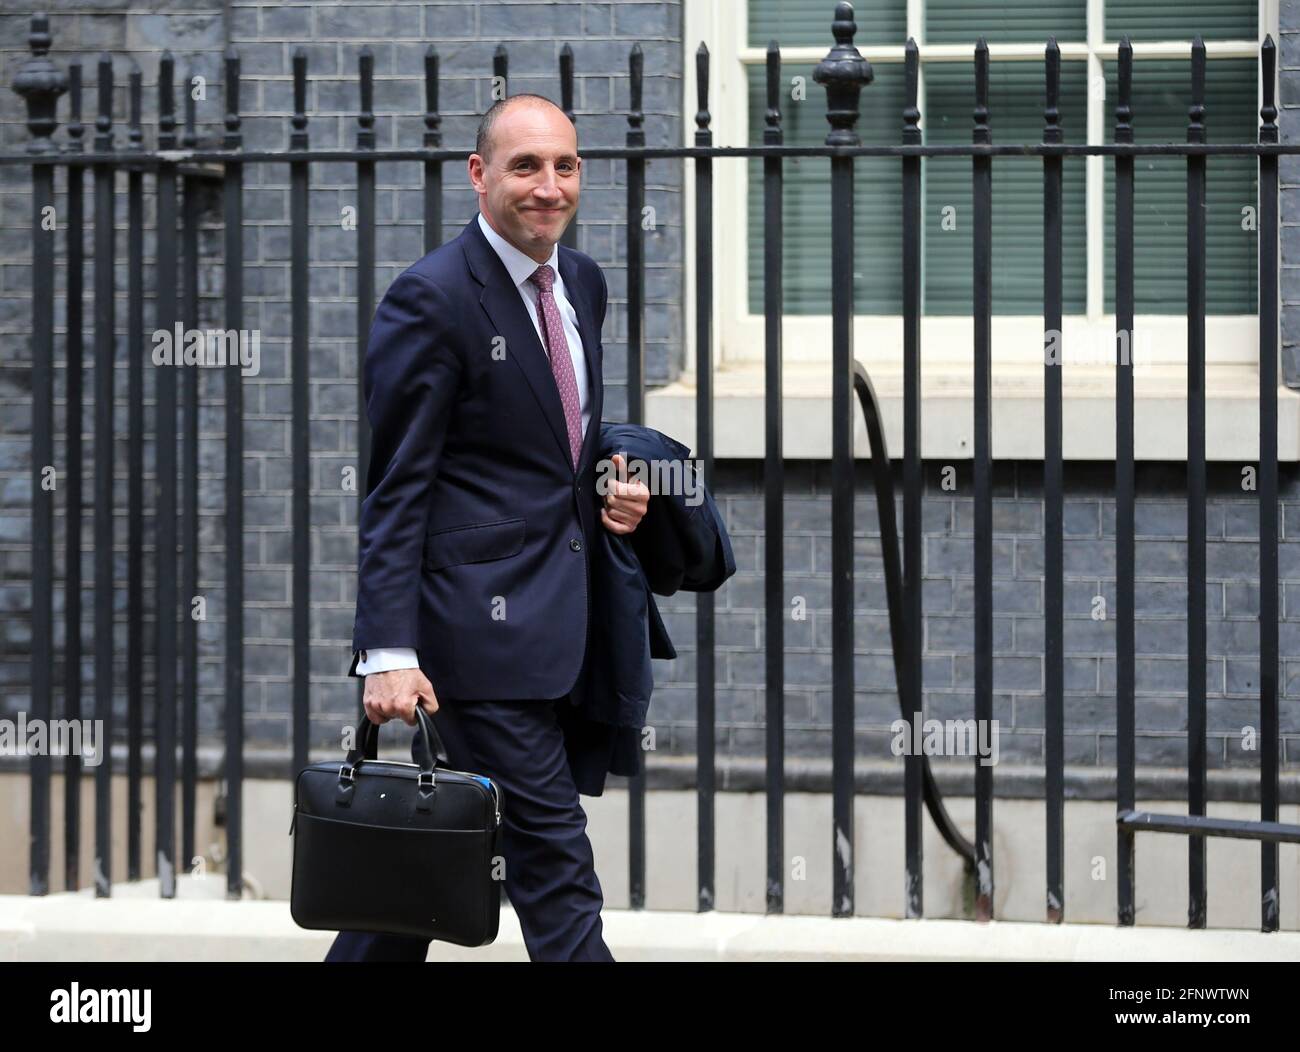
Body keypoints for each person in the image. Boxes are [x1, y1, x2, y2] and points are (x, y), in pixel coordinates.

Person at [325, 94, 649, 963]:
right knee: (556, 867)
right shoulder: (431, 299)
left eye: (566, 166)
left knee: (412, 881)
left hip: (561, 624)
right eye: (526, 166)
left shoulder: (581, 282)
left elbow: (552, 448)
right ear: (479, 175)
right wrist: (388, 650)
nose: (549, 187)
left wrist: (613, 492)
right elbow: (397, 486)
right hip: (474, 639)